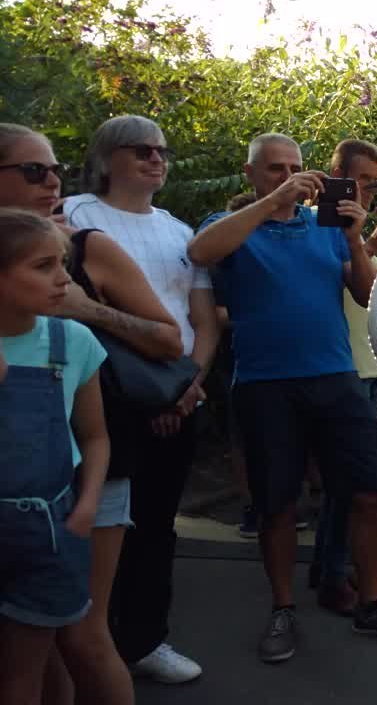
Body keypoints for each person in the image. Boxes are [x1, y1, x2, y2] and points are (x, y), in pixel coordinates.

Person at [188, 132, 377, 663]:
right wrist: (272, 203)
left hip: (334, 379)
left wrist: (353, 239)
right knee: (277, 504)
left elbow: (367, 295)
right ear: (250, 174)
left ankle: (371, 602)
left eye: (294, 167)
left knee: (370, 492)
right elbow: (200, 252)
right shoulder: (231, 228)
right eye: (275, 169)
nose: (288, 177)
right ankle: (282, 609)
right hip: (264, 384)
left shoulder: (324, 229)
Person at [0, 123, 181, 704]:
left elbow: (168, 340)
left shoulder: (87, 246)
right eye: (34, 170)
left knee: (80, 632)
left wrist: (87, 310)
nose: (52, 181)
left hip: (87, 469)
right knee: (30, 647)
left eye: (54, 168)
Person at [62, 115, 218, 685]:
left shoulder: (180, 230)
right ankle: (84, 646)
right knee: (98, 529)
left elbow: (203, 323)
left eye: (162, 150)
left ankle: (145, 640)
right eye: (141, 150)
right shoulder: (76, 217)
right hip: (105, 400)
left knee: (155, 526)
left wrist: (187, 386)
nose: (157, 159)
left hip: (177, 396)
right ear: (107, 157)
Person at [0, 208, 108, 705]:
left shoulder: (71, 341)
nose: (64, 278)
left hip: (48, 531)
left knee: (26, 672)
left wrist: (87, 504)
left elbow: (95, 436)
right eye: (43, 266)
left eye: (61, 262)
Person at [308, 138, 377, 612]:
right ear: (336, 176)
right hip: (342, 368)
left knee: (351, 484)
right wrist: (367, 242)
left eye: (376, 180)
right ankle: (334, 576)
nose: (372, 189)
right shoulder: (317, 225)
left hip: (365, 367)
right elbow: (337, 286)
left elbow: (371, 293)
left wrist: (373, 243)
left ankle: (333, 570)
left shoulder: (353, 229)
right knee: (350, 485)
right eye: (364, 180)